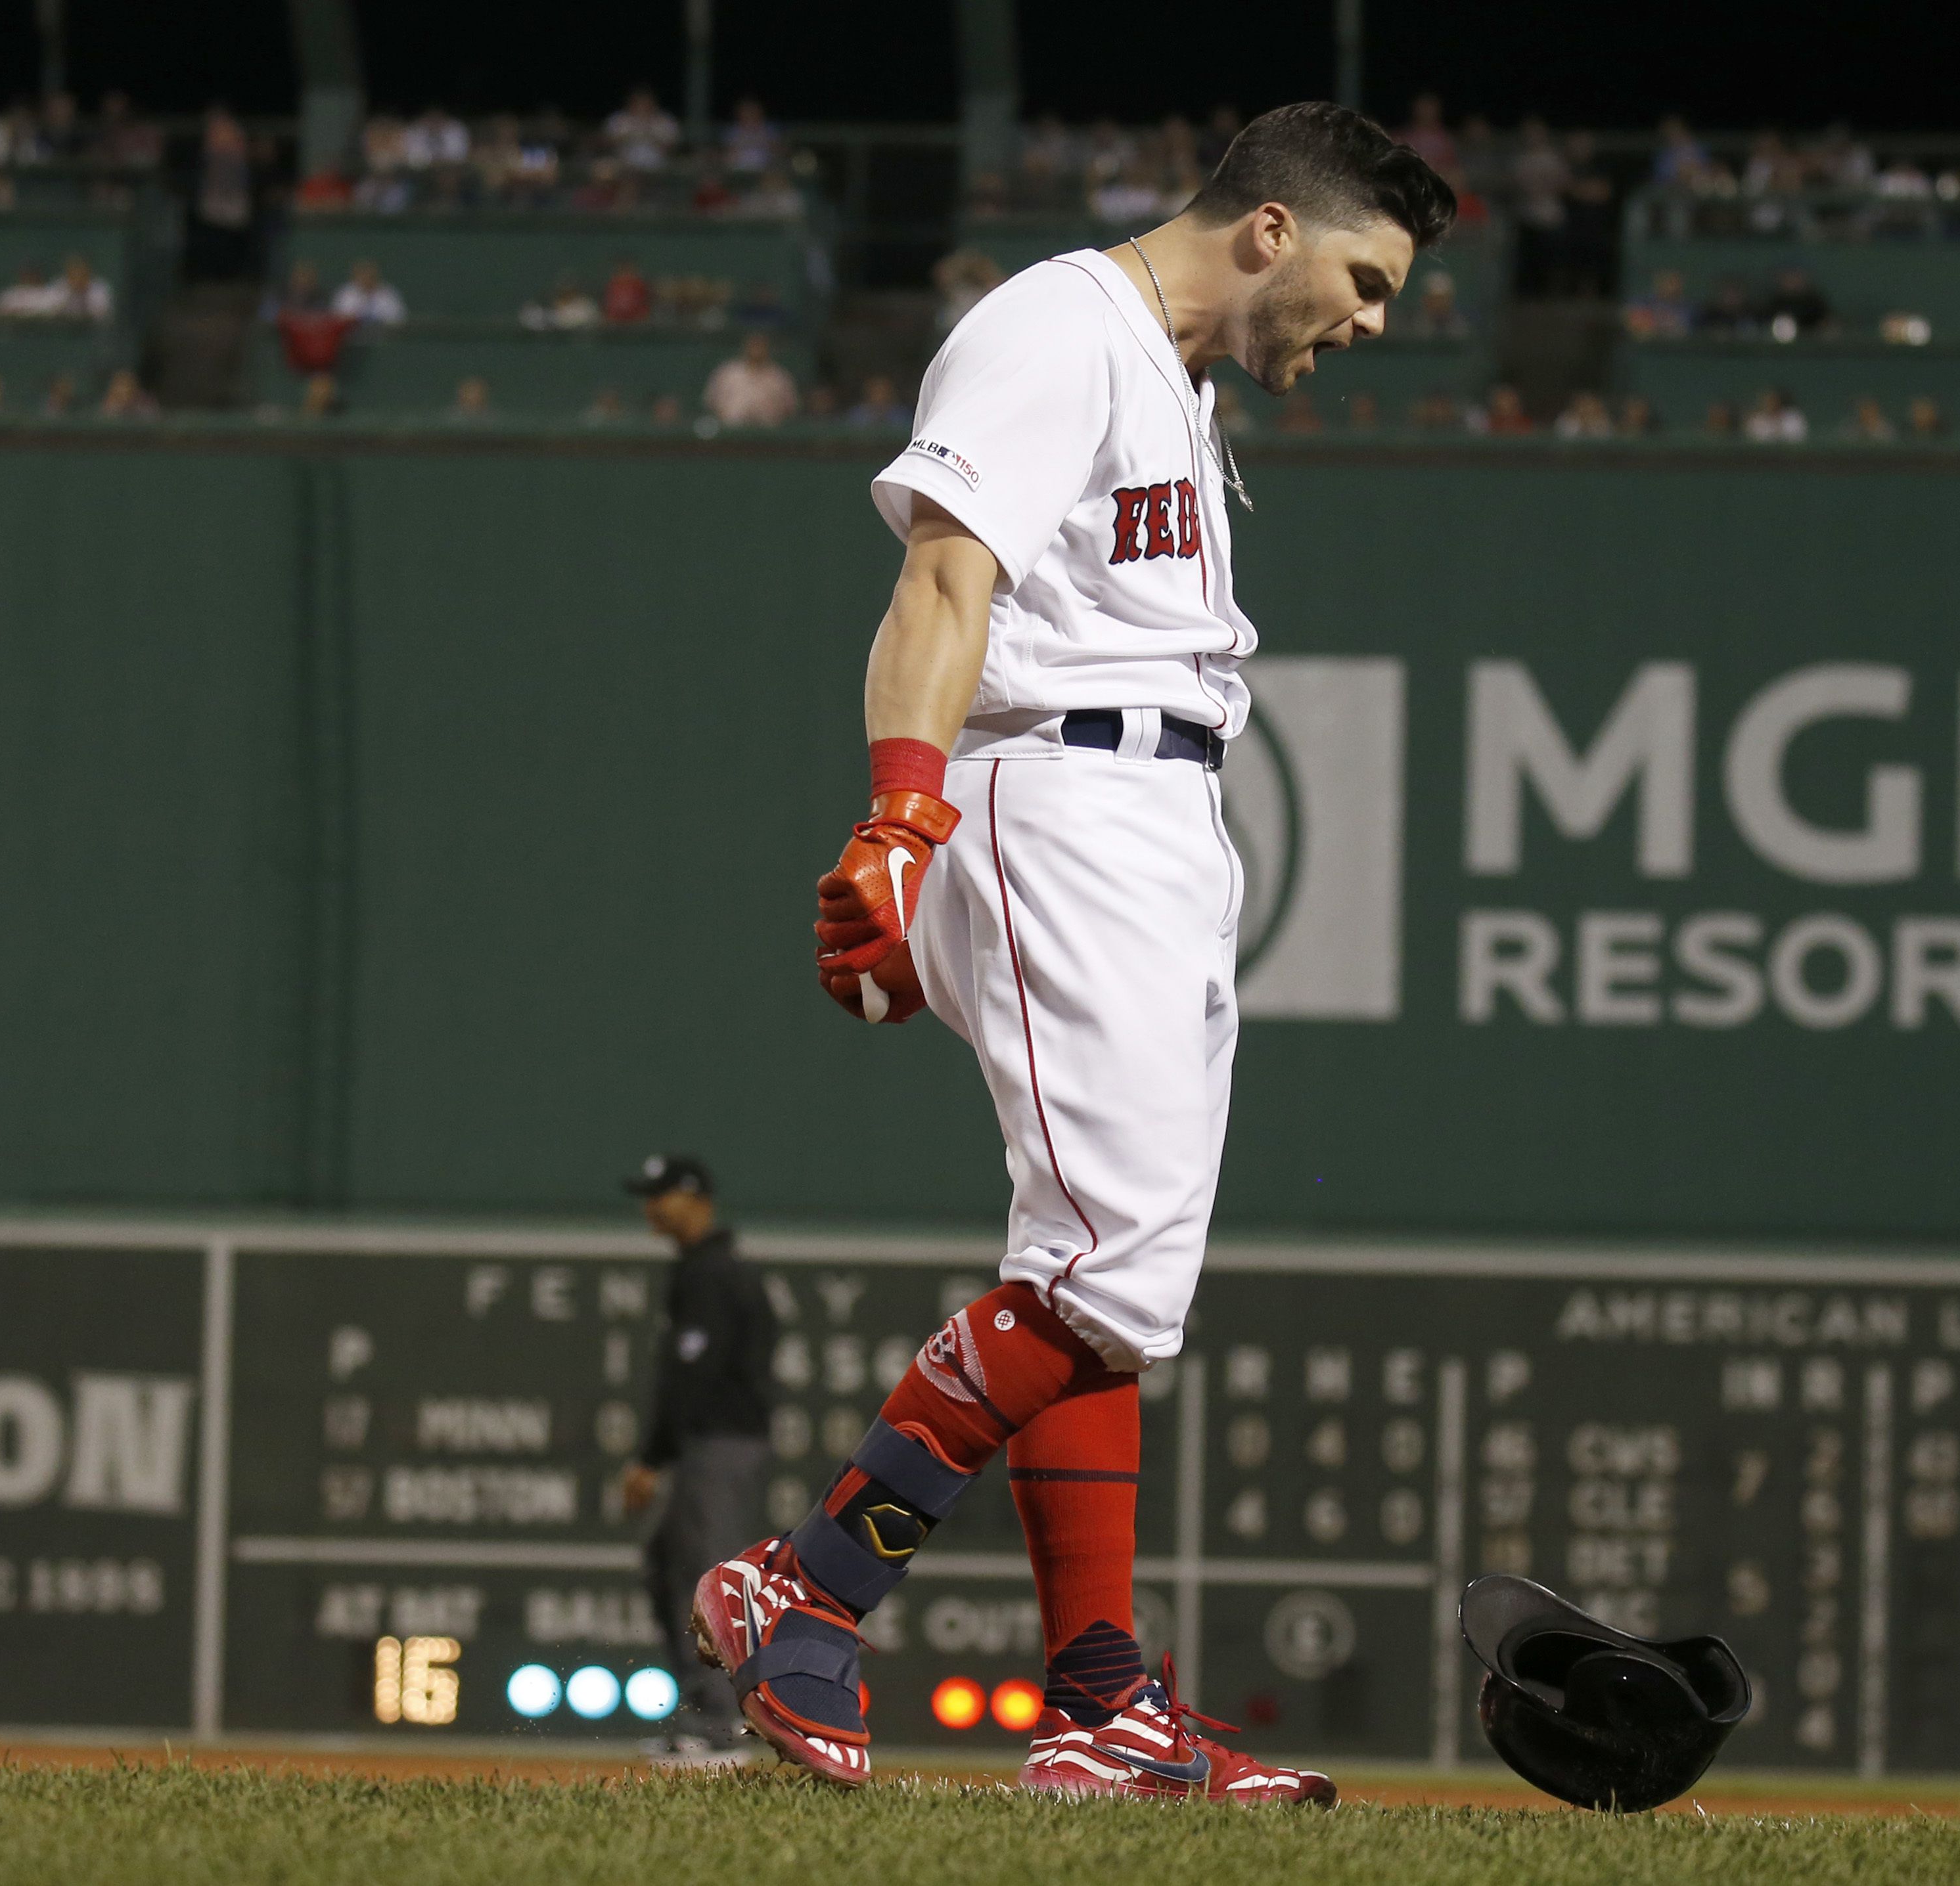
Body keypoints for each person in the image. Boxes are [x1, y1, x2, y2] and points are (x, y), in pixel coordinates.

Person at [688, 98, 1451, 1807]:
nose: (1374, 317)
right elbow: (945, 581)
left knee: (1113, 1290)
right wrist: (901, 816)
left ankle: (1102, 1695)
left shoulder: (1171, 378)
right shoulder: (1057, 325)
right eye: (1367, 274)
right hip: (1062, 792)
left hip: (1158, 814)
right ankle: (802, 1584)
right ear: (1269, 228)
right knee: (1105, 1262)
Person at [617, 1154, 776, 1764]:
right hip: (710, 1444)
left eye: (662, 1194)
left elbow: (695, 1375)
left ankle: (721, 1728)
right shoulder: (706, 1268)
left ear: (695, 1198)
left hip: (721, 1443)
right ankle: (706, 1715)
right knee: (668, 1565)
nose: (651, 1207)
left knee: (705, 1579)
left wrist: (650, 1459)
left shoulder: (714, 1272)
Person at [702, 330, 798, 428]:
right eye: (754, 345)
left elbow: (790, 408)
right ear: (746, 347)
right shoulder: (727, 372)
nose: (757, 349)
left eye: (760, 345)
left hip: (769, 434)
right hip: (730, 432)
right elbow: (711, 402)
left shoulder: (779, 376)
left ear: (767, 348)